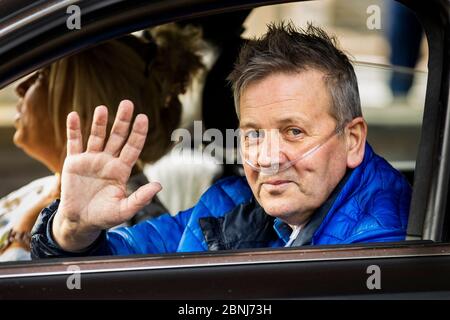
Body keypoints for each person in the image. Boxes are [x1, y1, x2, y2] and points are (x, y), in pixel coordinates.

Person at [31, 22, 411, 258]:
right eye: (253, 134)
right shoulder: (232, 201)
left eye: (293, 132)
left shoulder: (377, 246)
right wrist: (73, 229)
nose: (267, 158)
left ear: (352, 139)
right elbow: (129, 260)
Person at [0, 23, 204, 261]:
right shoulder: (44, 188)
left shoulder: (130, 226)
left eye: (42, 75)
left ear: (82, 104)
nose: (20, 87)